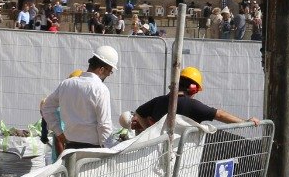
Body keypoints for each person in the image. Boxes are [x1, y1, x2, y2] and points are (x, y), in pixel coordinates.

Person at [128, 66, 259, 131]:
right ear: (193, 89)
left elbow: (139, 112)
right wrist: (244, 122)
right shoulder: (192, 105)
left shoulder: (158, 101)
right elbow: (220, 115)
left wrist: (149, 131)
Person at [40, 45, 118, 151]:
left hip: (70, 148)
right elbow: (104, 125)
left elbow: (46, 108)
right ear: (102, 69)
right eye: (109, 71)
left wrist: (59, 133)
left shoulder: (66, 84)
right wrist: (108, 150)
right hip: (93, 150)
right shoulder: (101, 89)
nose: (109, 75)